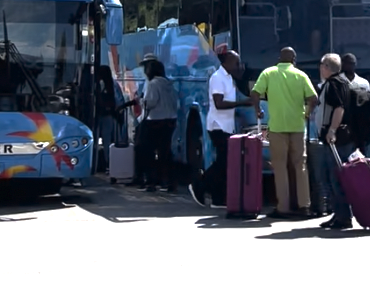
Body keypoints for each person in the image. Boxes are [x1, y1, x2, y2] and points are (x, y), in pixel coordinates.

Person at [250, 47, 317, 219]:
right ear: (294, 59)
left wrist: (258, 110)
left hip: (277, 127)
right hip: (297, 127)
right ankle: (304, 206)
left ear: (279, 58)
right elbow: (313, 98)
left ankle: (283, 207)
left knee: (279, 167)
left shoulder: (269, 73)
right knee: (300, 166)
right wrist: (306, 113)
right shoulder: (301, 75)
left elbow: (255, 93)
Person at [189, 50, 252, 208]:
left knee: (225, 162)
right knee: (223, 161)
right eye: (236, 63)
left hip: (226, 126)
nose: (239, 66)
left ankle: (217, 197)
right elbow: (219, 103)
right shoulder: (218, 78)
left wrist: (241, 75)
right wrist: (241, 104)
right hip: (217, 125)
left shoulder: (229, 78)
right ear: (226, 62)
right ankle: (200, 185)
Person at [317, 53, 356, 230]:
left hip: (335, 139)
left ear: (327, 67)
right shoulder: (343, 82)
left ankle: (343, 217)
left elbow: (339, 108)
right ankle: (338, 214)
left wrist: (332, 130)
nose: (320, 68)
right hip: (343, 136)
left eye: (322, 65)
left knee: (336, 178)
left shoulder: (333, 85)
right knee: (335, 177)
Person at [134, 54, 179, 192]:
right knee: (165, 152)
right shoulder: (168, 83)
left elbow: (150, 102)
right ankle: (168, 182)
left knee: (146, 152)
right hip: (170, 120)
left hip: (154, 121)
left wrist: (140, 101)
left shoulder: (153, 84)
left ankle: (151, 181)